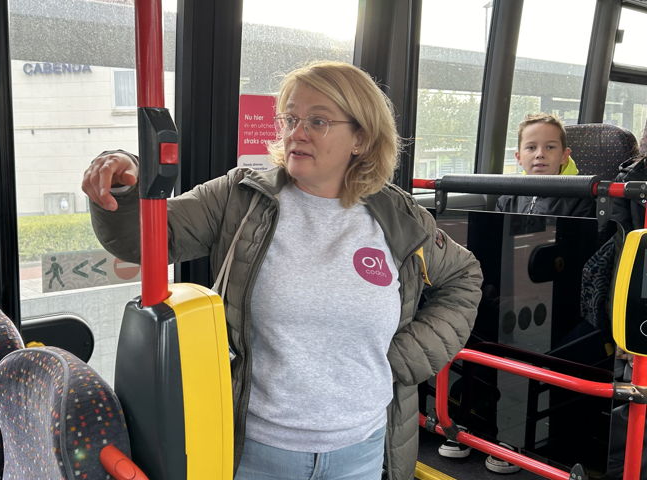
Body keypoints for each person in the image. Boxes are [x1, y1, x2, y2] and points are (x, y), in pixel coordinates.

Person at [82, 60, 483, 480]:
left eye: (318, 120)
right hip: (255, 452)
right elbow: (141, 240)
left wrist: (407, 358)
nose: (296, 132)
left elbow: (463, 277)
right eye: (290, 118)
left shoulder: (398, 215)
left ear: (361, 138)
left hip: (363, 450)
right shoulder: (241, 197)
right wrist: (127, 183)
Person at [496, 113, 595, 218]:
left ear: (564, 156)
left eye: (550, 147)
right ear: (519, 157)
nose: (540, 154)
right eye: (531, 147)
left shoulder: (581, 201)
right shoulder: (506, 201)